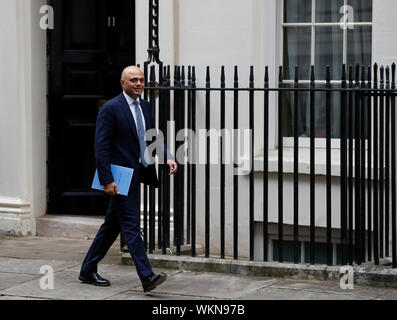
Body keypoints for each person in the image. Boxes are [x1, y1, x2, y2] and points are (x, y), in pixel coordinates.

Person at [79, 66, 178, 293]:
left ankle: (87, 269)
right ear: (122, 83)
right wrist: (107, 179)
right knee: (132, 226)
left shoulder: (145, 105)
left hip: (137, 173)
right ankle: (147, 276)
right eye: (133, 80)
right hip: (119, 177)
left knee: (113, 225)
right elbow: (101, 148)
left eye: (141, 80)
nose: (139, 83)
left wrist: (168, 157)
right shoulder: (111, 109)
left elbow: (151, 135)